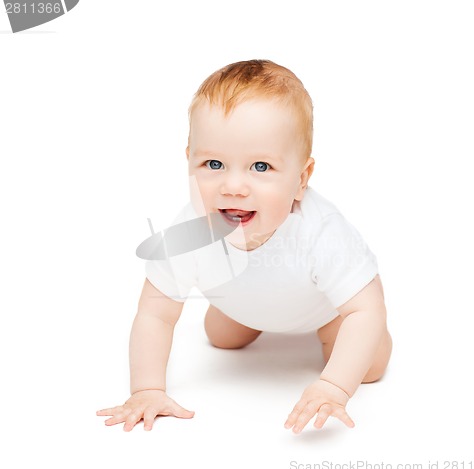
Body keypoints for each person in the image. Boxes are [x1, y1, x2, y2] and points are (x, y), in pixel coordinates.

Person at [96, 59, 393, 434]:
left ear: (301, 179)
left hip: (325, 309)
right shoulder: (189, 231)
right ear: (189, 160)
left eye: (261, 167)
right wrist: (147, 389)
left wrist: (333, 387)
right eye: (214, 163)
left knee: (370, 366)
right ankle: (245, 316)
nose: (233, 186)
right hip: (240, 301)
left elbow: (366, 308)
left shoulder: (320, 233)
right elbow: (156, 314)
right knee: (221, 338)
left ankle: (337, 337)